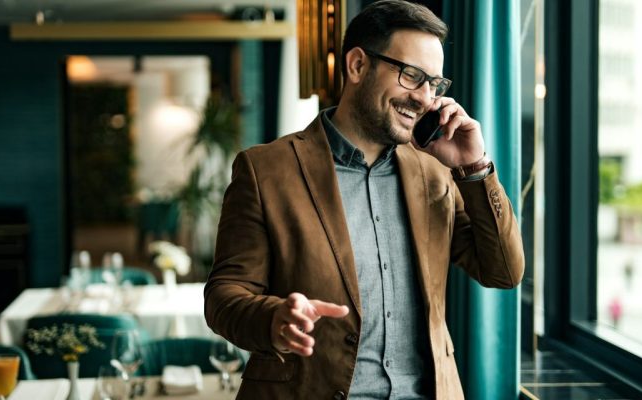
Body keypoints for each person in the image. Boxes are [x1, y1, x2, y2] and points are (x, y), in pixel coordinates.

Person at [204, 1, 524, 398]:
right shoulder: (264, 170)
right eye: (412, 76)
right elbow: (224, 297)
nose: (425, 98)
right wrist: (273, 319)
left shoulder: (435, 170)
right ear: (357, 65)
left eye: (434, 84)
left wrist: (474, 167)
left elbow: (504, 272)